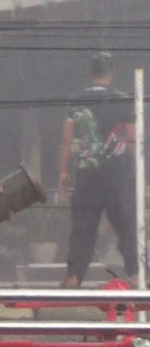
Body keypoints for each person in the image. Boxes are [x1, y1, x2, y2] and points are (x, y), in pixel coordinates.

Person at [59, 51, 137, 288]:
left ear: (91, 72)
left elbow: (67, 140)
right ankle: (137, 275)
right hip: (118, 174)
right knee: (126, 225)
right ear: (112, 71)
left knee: (83, 225)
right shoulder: (124, 98)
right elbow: (132, 139)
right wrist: (138, 171)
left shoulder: (76, 100)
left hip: (88, 172)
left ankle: (73, 277)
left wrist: (64, 171)